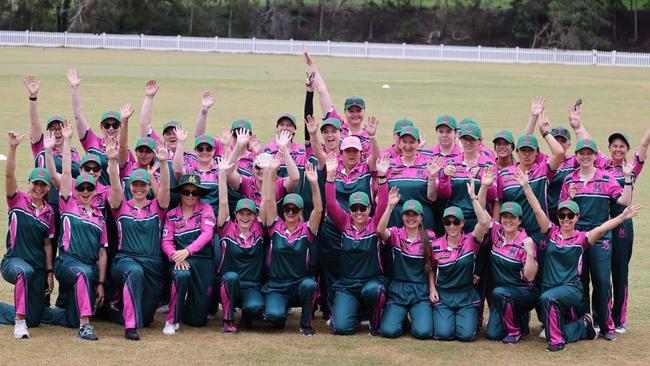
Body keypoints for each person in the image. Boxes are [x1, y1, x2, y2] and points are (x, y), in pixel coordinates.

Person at [520, 167, 640, 351]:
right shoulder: (551, 232)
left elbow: (602, 229)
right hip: (553, 288)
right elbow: (537, 209)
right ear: (558, 217)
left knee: (547, 301)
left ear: (577, 217)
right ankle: (584, 326)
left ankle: (557, 343)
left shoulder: (581, 238)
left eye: (570, 215)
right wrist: (526, 186)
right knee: (549, 315)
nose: (566, 219)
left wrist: (622, 216)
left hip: (570, 289)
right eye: (562, 215)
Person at [560, 138, 634, 340]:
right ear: (576, 156)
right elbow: (562, 211)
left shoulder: (605, 177)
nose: (585, 157)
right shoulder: (570, 180)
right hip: (578, 239)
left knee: (602, 281)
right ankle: (585, 324)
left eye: (589, 153)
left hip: (601, 237)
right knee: (580, 282)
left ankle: (607, 325)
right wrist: (570, 199)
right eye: (581, 153)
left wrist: (627, 178)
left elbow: (624, 201)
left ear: (595, 156)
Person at [46, 120, 108, 341]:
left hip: (89, 267)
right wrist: (68, 140)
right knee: (82, 273)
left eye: (89, 188)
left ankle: (51, 314)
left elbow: (102, 253)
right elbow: (61, 174)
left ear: (95, 191)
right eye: (80, 187)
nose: (84, 191)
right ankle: (85, 325)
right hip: (68, 263)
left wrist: (100, 283)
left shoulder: (99, 216)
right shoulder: (67, 203)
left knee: (66, 315)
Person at [107, 137, 170, 341]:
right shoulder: (121, 205)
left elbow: (166, 190)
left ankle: (110, 313)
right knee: (134, 272)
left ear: (148, 186)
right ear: (131, 186)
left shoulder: (156, 207)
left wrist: (162, 162)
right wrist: (112, 161)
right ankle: (130, 327)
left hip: (152, 264)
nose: (139, 188)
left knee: (146, 318)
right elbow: (115, 185)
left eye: (143, 184)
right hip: (125, 260)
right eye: (135, 184)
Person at [325, 153, 390, 336]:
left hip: (371, 282)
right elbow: (331, 203)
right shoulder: (344, 223)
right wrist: (330, 177)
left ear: (369, 209)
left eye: (363, 208)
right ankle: (354, 314)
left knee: (374, 291)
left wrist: (383, 178)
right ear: (350, 210)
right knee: (341, 328)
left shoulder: (375, 223)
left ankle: (375, 321)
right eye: (354, 208)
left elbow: (383, 205)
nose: (359, 212)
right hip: (348, 284)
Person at [0, 131, 55, 338]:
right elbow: (8, 176)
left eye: (43, 185)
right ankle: (19, 321)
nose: (39, 188)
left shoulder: (49, 212)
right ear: (29, 183)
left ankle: (24, 318)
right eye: (35, 183)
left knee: (36, 319)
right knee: (23, 272)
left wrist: (49, 273)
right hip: (14, 261)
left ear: (48, 187)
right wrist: (13, 148)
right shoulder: (17, 199)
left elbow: (48, 244)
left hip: (38, 267)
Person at [261, 162, 323, 335]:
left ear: (301, 211)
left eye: (294, 209)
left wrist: (314, 183)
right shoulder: (275, 226)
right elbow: (269, 200)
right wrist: (272, 172)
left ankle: (306, 324)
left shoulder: (307, 229)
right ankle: (279, 314)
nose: (290, 212)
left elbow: (318, 209)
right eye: (287, 209)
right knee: (274, 316)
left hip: (298, 284)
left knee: (310, 285)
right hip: (277, 285)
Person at [429, 177, 490, 342]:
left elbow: (484, 223)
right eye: (447, 222)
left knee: (466, 336)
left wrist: (474, 198)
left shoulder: (471, 240)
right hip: (444, 295)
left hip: (465, 295)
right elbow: (431, 268)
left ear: (462, 222)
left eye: (455, 221)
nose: (451, 225)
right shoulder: (435, 245)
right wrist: (432, 289)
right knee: (444, 334)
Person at [603, 129, 649, 333]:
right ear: (610, 149)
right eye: (614, 146)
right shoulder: (602, 166)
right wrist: (578, 126)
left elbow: (644, 146)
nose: (618, 149)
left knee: (620, 272)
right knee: (602, 274)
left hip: (622, 227)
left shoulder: (631, 168)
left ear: (627, 149)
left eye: (622, 146)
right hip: (603, 225)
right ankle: (602, 317)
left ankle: (619, 319)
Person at [216, 157, 266, 334]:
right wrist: (222, 174)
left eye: (249, 213)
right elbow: (223, 202)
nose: (245, 217)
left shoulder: (260, 229)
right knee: (229, 277)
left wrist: (268, 174)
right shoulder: (226, 227)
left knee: (256, 307)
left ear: (255, 215)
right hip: (230, 284)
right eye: (241, 213)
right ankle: (228, 320)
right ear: (235, 214)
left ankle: (247, 314)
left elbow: (267, 201)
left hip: (251, 286)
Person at [161, 174, 216, 334]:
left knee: (197, 321)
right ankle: (171, 320)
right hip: (180, 259)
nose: (190, 196)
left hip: (203, 260)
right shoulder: (171, 215)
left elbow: (207, 234)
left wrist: (187, 251)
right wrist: (175, 256)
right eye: (186, 192)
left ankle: (184, 310)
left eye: (195, 192)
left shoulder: (207, 209)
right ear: (180, 193)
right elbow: (166, 241)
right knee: (182, 275)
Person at [376, 191, 436, 340]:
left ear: (421, 217)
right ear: (402, 216)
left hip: (420, 291)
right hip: (398, 290)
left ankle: (414, 319)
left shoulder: (430, 236)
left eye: (414, 215)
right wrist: (390, 207)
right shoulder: (396, 233)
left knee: (424, 332)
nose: (411, 218)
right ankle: (401, 319)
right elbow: (380, 230)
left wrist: (432, 288)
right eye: (407, 214)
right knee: (388, 332)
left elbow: (430, 266)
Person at [65, 68, 134, 185]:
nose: (111, 128)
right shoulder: (92, 141)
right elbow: (78, 116)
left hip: (114, 198)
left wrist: (125, 120)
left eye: (115, 124)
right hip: (90, 193)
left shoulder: (125, 151)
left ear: (120, 127)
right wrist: (74, 88)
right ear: (101, 127)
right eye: (107, 125)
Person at [484, 200, 538, 344]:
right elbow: (482, 217)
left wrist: (530, 253)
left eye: (512, 217)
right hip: (503, 295)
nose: (508, 220)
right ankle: (520, 318)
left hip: (524, 292)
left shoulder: (525, 241)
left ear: (519, 220)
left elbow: (530, 276)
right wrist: (474, 198)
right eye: (505, 216)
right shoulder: (497, 232)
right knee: (492, 334)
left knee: (499, 292)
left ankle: (514, 332)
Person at [305, 49, 371, 158]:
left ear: (364, 111)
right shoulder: (337, 124)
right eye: (351, 111)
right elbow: (322, 91)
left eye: (358, 110)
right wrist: (311, 65)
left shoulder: (368, 136)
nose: (355, 114)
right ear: (345, 112)